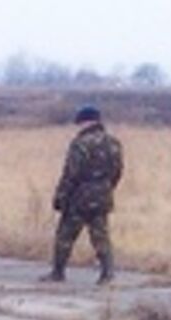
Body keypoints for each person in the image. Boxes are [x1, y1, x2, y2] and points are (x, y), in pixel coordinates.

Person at [45, 105, 124, 285]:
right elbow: (118, 171)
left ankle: (58, 273)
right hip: (102, 195)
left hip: (79, 197)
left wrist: (61, 196)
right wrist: (106, 188)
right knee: (100, 235)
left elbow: (71, 173)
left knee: (65, 235)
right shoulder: (113, 143)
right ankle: (107, 273)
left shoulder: (81, 143)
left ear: (85, 122)